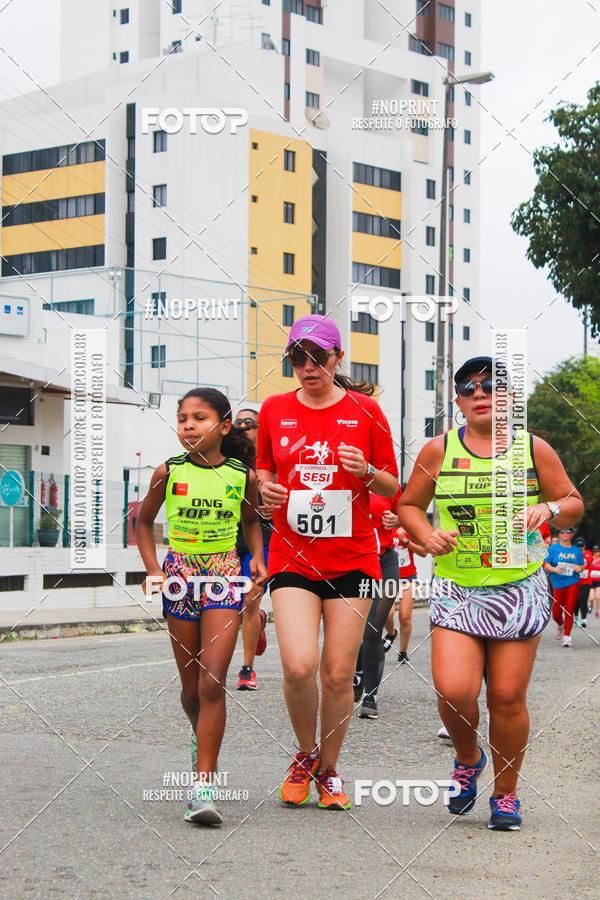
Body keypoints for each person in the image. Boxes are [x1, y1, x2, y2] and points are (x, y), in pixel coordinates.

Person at [398, 355, 583, 831]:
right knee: (454, 689)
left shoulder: (533, 449)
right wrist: (427, 533)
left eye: (490, 386)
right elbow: (409, 504)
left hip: (518, 587)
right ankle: (467, 757)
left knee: (505, 696)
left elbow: (573, 504)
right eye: (468, 387)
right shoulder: (438, 451)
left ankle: (506, 793)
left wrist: (546, 508)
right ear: (458, 401)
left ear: (509, 398)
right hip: (458, 586)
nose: (479, 393)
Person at [256, 314, 398, 810]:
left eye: (318, 357)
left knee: (338, 673)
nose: (308, 367)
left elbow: (393, 486)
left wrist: (367, 471)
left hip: (354, 559)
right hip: (293, 555)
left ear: (338, 359)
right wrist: (265, 489)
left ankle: (330, 770)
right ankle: (304, 754)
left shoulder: (367, 411)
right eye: (298, 357)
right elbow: (265, 471)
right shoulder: (274, 409)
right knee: (298, 666)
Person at [136, 388, 267, 825]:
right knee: (191, 689)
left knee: (213, 682)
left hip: (224, 577)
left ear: (223, 426)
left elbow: (250, 520)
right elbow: (143, 521)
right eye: (183, 418)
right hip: (179, 577)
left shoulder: (240, 475)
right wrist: (155, 569)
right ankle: (201, 742)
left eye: (200, 417)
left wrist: (259, 561)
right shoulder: (167, 472)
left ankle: (203, 787)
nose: (189, 425)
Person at [353, 486, 402, 719]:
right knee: (356, 630)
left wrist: (397, 519)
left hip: (386, 561)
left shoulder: (389, 485)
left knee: (372, 630)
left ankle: (370, 695)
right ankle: (358, 670)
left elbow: (407, 515)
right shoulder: (346, 482)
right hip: (356, 563)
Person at [232, 408, 271, 690]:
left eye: (250, 422)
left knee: (249, 599)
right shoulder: (230, 461)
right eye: (239, 422)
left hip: (265, 539)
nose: (244, 426)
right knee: (234, 606)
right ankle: (256, 619)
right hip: (232, 538)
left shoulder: (270, 461)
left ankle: (247, 669)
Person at [545, 529, 585, 647]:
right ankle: (560, 625)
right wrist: (554, 569)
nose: (565, 534)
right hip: (556, 584)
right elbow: (546, 564)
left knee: (569, 610)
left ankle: (567, 637)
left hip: (572, 582)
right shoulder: (553, 549)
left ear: (572, 534)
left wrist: (579, 568)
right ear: (559, 534)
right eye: (562, 532)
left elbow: (582, 565)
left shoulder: (577, 551)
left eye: (568, 532)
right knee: (556, 612)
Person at [573, 537, 591, 629]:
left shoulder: (588, 554)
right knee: (576, 600)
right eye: (579, 546)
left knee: (583, 599)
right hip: (575, 580)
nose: (581, 547)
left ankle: (584, 620)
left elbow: (591, 562)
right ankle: (575, 617)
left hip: (586, 581)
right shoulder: (573, 554)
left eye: (582, 546)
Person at [588, 545, 600, 618]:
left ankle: (597, 611)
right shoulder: (590, 559)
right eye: (595, 551)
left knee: (598, 597)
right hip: (591, 580)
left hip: (599, 581)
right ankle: (591, 605)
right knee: (591, 598)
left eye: (597, 551)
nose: (596, 553)